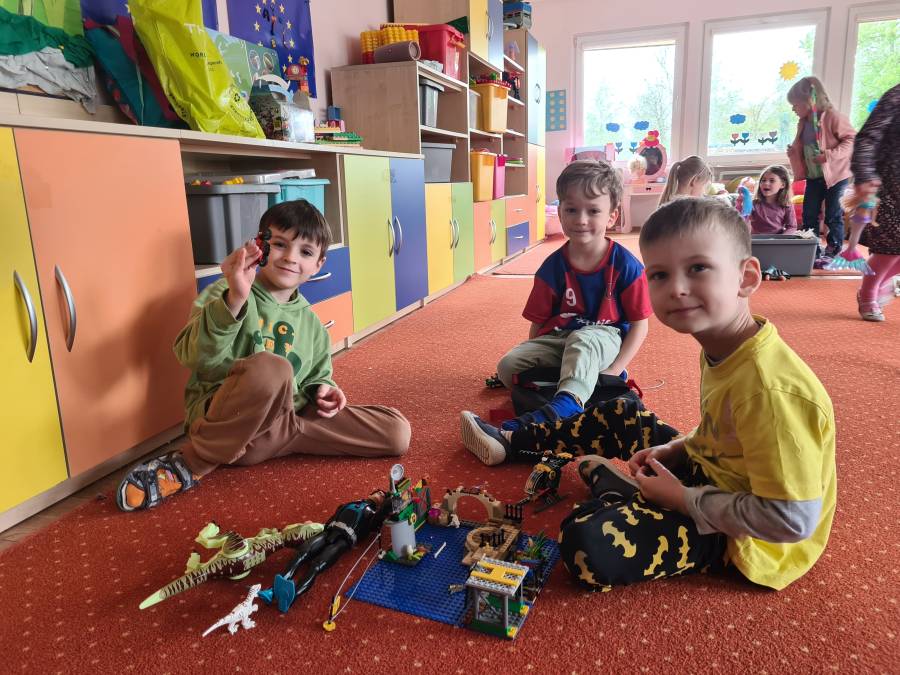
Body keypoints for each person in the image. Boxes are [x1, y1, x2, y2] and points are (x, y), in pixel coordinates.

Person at [460, 197, 836, 592]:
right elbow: (726, 433)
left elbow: (791, 521)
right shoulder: (725, 345)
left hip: (748, 538)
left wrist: (683, 499)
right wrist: (679, 449)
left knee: (585, 543)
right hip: (714, 477)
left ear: (746, 277)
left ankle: (635, 498)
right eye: (659, 275)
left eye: (698, 268)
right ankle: (513, 441)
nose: (677, 289)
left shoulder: (771, 391)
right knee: (620, 411)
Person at [116, 200, 411, 511]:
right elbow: (195, 358)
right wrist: (235, 298)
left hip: (286, 428)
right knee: (273, 369)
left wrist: (324, 390)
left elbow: (317, 374)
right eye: (280, 244)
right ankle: (193, 461)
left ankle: (269, 445)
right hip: (229, 425)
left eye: (305, 252)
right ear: (260, 246)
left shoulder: (312, 324)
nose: (290, 257)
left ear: (319, 264)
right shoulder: (226, 292)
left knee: (396, 431)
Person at [461, 160, 652, 465]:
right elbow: (538, 325)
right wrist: (533, 355)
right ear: (560, 212)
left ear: (612, 216)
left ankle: (565, 405)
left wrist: (616, 369)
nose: (581, 219)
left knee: (584, 340)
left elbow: (640, 324)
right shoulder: (552, 267)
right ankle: (579, 381)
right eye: (571, 209)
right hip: (561, 338)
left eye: (593, 211)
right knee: (508, 367)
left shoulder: (627, 265)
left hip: (605, 338)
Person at [786, 76, 856, 262]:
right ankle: (812, 248)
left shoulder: (832, 117)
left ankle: (834, 249)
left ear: (809, 100)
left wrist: (829, 155)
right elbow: (805, 148)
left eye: (795, 104)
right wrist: (794, 152)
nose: (793, 109)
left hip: (836, 177)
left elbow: (851, 140)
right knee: (809, 214)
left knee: (832, 214)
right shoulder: (804, 123)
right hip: (814, 177)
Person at [850, 83, 900, 322]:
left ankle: (881, 282)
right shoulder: (896, 96)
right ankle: (868, 292)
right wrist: (864, 174)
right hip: (888, 186)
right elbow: (868, 137)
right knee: (889, 248)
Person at [749, 165, 797, 234]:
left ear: (783, 185)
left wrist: (783, 238)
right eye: (763, 180)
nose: (766, 183)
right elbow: (744, 220)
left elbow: (792, 227)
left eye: (772, 181)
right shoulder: (753, 204)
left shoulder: (787, 205)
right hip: (756, 239)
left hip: (778, 239)